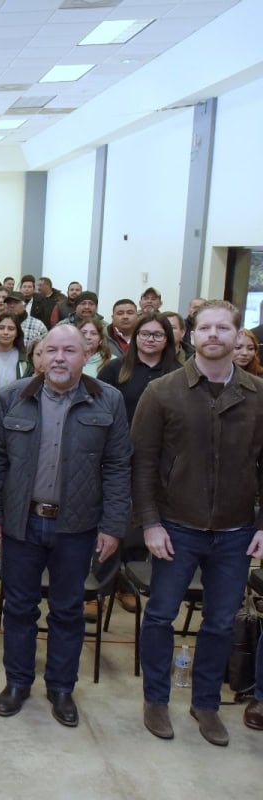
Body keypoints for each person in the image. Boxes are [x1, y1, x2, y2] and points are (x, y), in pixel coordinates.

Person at [0, 324, 130, 727]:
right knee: (19, 607)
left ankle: (62, 687)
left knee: (67, 610)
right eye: (52, 350)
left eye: (69, 350)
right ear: (40, 356)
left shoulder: (109, 400)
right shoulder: (12, 397)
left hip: (77, 526)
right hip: (22, 523)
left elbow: (118, 466)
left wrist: (113, 525)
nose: (60, 358)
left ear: (87, 356)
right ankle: (17, 682)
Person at [132, 300, 263, 746]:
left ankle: (206, 704)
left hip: (236, 532)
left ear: (238, 336)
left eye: (223, 328)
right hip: (176, 527)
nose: (213, 335)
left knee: (221, 622)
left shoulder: (258, 394)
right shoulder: (163, 391)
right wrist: (150, 523)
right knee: (160, 616)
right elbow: (142, 464)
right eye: (205, 327)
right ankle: (155, 699)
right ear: (191, 336)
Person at [92, 312, 181, 617]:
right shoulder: (115, 369)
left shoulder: (178, 373)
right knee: (112, 522)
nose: (150, 339)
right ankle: (98, 587)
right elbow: (97, 409)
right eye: (145, 334)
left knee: (141, 524)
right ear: (135, 338)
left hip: (160, 462)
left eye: (157, 334)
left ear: (168, 339)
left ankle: (127, 584)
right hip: (118, 458)